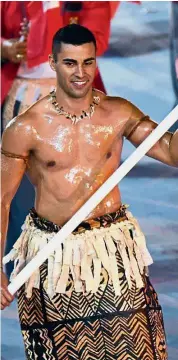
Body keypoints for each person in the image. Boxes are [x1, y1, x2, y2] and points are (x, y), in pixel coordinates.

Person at [1, 24, 178, 360]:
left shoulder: (118, 113)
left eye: (87, 63)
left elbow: (171, 153)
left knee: (137, 348)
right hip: (53, 256)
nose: (80, 73)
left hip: (111, 250)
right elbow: (1, 200)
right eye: (70, 63)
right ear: (53, 64)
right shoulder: (25, 128)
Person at [1, 0, 113, 277]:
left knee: (76, 192)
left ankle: (77, 271)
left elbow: (96, 37)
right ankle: (22, 271)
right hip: (18, 98)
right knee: (18, 198)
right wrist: (4, 47)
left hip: (78, 106)